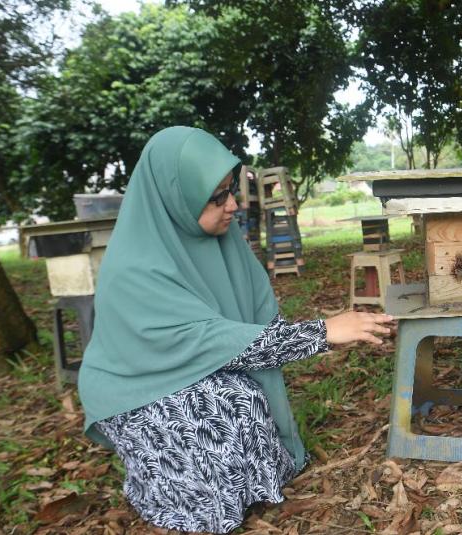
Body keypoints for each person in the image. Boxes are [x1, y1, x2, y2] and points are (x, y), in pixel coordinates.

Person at [78, 126, 394, 533]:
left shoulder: (226, 243)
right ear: (175, 198)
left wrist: (325, 332)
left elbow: (261, 328)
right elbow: (214, 343)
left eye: (231, 191)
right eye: (216, 197)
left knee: (240, 396)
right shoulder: (133, 270)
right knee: (211, 414)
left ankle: (247, 484)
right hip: (135, 389)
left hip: (196, 366)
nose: (231, 206)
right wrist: (321, 332)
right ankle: (163, 493)